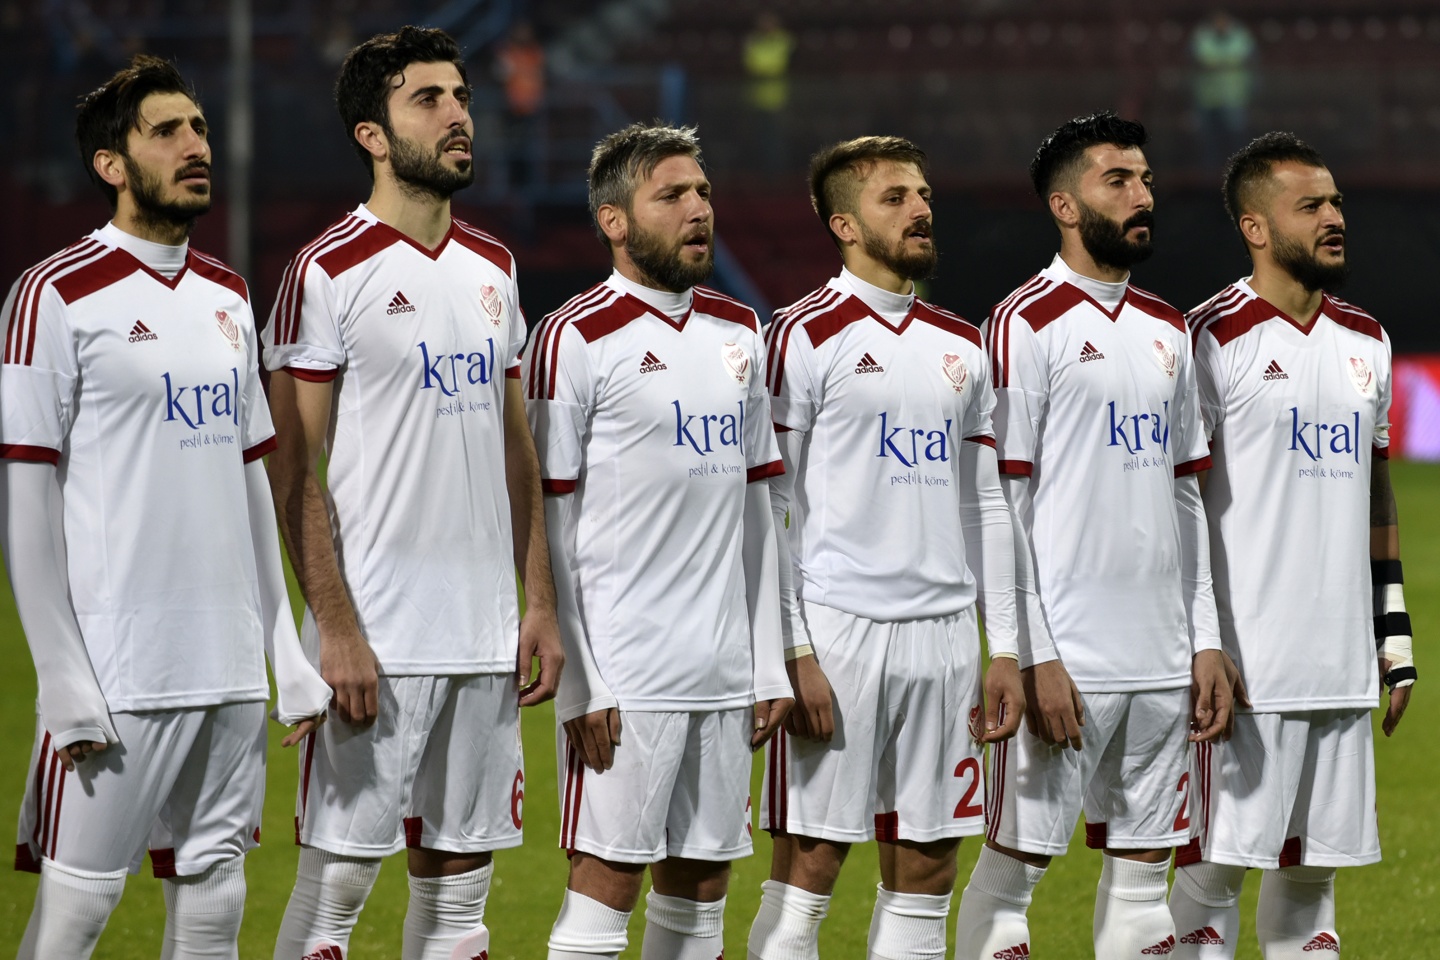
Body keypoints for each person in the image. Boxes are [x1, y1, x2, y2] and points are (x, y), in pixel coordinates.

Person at [2, 54, 329, 959]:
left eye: (200, 128)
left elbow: (251, 478)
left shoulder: (228, 294)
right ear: (110, 163)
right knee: (76, 913)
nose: (196, 146)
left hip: (228, 670)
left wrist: (283, 647)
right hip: (120, 672)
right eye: (167, 131)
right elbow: (26, 496)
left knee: (216, 903)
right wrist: (61, 673)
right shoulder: (54, 294)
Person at [262, 26, 563, 960]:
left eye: (461, 95)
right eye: (428, 99)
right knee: (335, 896)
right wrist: (335, 629)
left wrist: (538, 603)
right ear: (373, 136)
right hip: (376, 638)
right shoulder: (326, 270)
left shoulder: (493, 268)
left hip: (482, 636)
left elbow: (517, 451)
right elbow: (291, 467)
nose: (458, 114)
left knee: (460, 905)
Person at [955, 111, 1233, 960]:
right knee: (1013, 873)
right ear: (1065, 205)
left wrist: (1205, 640)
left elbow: (1185, 495)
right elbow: (1002, 501)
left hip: (1161, 656)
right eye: (1118, 181)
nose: (1142, 195)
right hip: (1067, 657)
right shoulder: (1023, 323)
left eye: (1145, 179)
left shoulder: (1167, 328)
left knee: (1145, 884)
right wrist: (1028, 653)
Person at [745, 135, 1028, 960]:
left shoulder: (961, 344)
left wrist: (1004, 647)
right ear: (844, 223)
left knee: (928, 870)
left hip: (945, 638)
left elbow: (984, 502)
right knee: (809, 868)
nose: (920, 209)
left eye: (923, 194)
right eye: (895, 197)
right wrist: (793, 651)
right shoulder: (801, 335)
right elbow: (770, 503)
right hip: (840, 634)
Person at [523, 121, 792, 960]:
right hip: (626, 672)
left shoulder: (739, 331)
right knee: (606, 886)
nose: (697, 209)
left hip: (723, 669)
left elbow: (757, 508)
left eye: (702, 192)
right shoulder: (574, 336)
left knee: (702, 891)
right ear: (614, 220)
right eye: (671, 195)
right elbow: (546, 513)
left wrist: (769, 660)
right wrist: (581, 682)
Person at [1168, 132, 1415, 959]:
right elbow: (1178, 504)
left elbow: (1377, 496)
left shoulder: (1367, 339)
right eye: (1310, 206)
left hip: (1340, 667)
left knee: (1312, 887)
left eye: (1336, 202)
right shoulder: (1208, 337)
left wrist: (1394, 638)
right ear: (1256, 228)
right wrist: (1201, 642)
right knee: (1213, 878)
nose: (1334, 217)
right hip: (1246, 670)